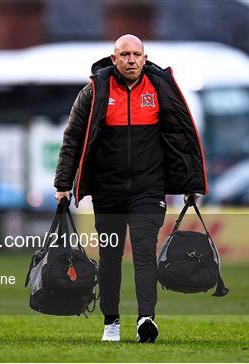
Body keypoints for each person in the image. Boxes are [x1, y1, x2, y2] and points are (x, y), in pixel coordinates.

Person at [54, 34, 208, 343]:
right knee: (110, 259)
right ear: (114, 59)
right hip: (107, 191)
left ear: (145, 57)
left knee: (143, 254)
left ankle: (145, 320)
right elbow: (72, 139)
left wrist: (191, 184)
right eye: (125, 54)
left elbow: (182, 137)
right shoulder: (93, 93)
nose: (131, 60)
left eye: (137, 54)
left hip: (149, 190)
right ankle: (111, 322)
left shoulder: (161, 89)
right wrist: (63, 184)